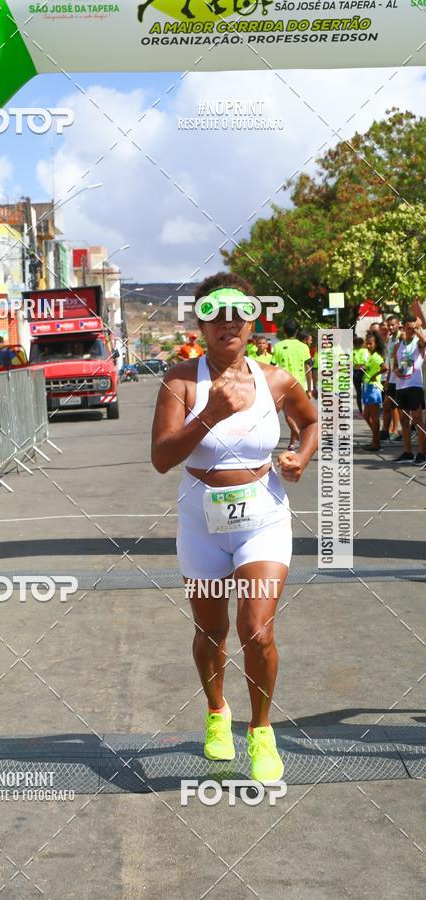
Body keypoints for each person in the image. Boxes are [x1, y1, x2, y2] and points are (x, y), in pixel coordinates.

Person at [151, 273, 318, 784]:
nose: (229, 323)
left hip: (262, 516)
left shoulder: (276, 380)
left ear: (252, 322)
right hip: (201, 521)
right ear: (201, 325)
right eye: (216, 315)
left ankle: (261, 730)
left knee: (257, 629)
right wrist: (210, 414)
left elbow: (311, 422)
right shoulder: (182, 381)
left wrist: (300, 458)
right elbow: (161, 457)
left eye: (239, 314)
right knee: (211, 630)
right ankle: (217, 711)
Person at [271, 319, 312, 451]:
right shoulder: (304, 347)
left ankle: (300, 438)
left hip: (284, 385)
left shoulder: (278, 346)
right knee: (297, 415)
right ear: (297, 331)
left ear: (284, 331)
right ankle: (293, 443)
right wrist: (310, 388)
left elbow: (272, 367)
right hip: (301, 385)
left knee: (289, 415)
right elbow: (308, 368)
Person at [392, 315, 426, 465]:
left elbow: (425, 342)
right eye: (409, 328)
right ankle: (407, 452)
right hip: (401, 386)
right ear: (403, 327)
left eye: (414, 328)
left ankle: (422, 453)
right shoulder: (398, 346)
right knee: (404, 421)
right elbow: (395, 364)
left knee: (417, 420)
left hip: (415, 386)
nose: (411, 331)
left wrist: (417, 329)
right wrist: (396, 371)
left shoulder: (418, 342)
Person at [361, 332, 387, 451]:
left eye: (370, 343)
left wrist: (374, 376)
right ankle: (376, 439)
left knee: (374, 416)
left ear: (376, 344)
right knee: (367, 416)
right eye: (367, 343)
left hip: (374, 388)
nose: (368, 346)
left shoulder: (376, 356)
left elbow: (385, 368)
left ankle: (376, 443)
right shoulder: (371, 356)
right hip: (368, 387)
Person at [381, 315, 401, 442]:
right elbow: (389, 360)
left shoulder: (402, 338)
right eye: (389, 325)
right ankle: (386, 431)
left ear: (398, 324)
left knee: (392, 404)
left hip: (401, 377)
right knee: (388, 404)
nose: (391, 327)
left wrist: (401, 372)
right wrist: (388, 377)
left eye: (393, 325)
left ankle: (395, 431)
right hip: (392, 377)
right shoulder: (389, 340)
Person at [352, 335, 369, 414]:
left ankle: (361, 411)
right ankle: (363, 410)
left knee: (359, 393)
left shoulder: (353, 352)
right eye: (357, 343)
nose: (358, 345)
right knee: (364, 392)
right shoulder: (365, 351)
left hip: (357, 372)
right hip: (363, 372)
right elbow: (367, 362)